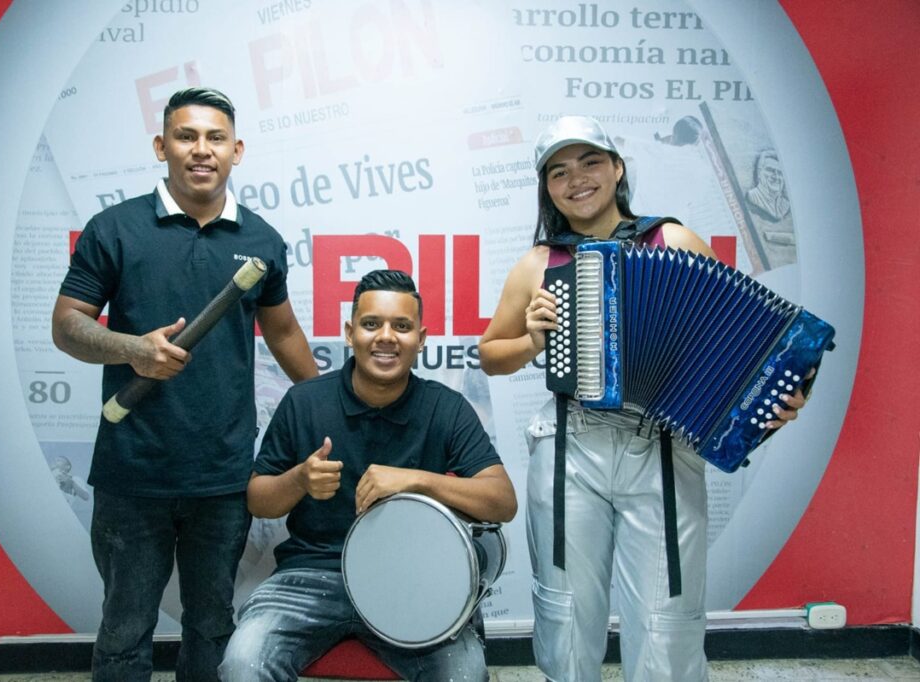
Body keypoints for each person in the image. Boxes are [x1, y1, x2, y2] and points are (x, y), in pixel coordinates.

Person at [477, 116, 809, 682]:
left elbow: (741, 333)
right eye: (559, 171)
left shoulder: (673, 241)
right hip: (569, 450)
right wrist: (533, 340)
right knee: (565, 610)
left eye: (589, 162)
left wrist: (776, 395)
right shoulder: (539, 263)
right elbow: (491, 354)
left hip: (661, 450)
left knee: (667, 619)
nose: (576, 179)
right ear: (547, 188)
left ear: (617, 168)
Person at [51, 87, 318, 681]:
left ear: (237, 150)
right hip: (133, 472)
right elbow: (66, 327)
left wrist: (331, 404)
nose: (202, 150)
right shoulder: (114, 229)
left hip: (222, 477)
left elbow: (284, 333)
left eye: (215, 137)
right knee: (124, 631)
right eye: (186, 135)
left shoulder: (261, 242)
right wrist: (132, 350)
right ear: (161, 145)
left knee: (212, 627)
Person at [218, 269, 518, 682]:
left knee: (465, 673)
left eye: (402, 326)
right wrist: (299, 481)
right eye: (371, 324)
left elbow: (503, 501)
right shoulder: (304, 402)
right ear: (349, 333)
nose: (386, 337)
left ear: (422, 338)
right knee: (242, 664)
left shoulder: (445, 408)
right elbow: (257, 498)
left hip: (414, 581)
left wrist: (416, 480)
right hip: (310, 576)